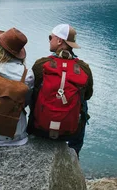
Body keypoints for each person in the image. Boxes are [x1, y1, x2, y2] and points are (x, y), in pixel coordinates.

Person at [28, 24, 93, 157]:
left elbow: (30, 93)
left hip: (40, 129)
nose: (49, 40)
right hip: (71, 133)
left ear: (59, 41)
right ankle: (73, 156)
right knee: (82, 102)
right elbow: (88, 95)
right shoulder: (84, 68)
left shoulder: (41, 65)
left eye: (50, 37)